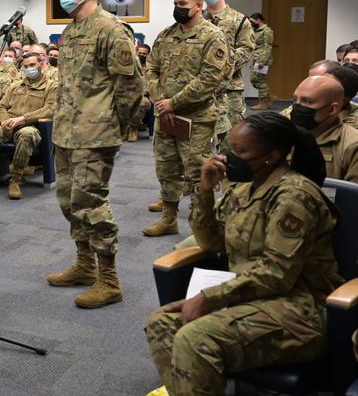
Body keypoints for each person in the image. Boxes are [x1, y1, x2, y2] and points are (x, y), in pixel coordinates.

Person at [145, 112, 342, 396]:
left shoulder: (294, 196)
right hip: (250, 297)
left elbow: (277, 275)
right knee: (162, 323)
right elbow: (211, 242)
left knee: (195, 337)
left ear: (270, 157)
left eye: (239, 152)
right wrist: (204, 190)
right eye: (228, 149)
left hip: (300, 310)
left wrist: (209, 298)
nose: (228, 158)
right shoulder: (243, 188)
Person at [47, 0, 143, 309]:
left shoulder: (110, 30)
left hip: (95, 134)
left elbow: (131, 86)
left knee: (92, 205)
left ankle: (109, 279)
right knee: (69, 203)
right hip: (66, 132)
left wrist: (116, 124)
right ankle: (85, 265)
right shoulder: (71, 31)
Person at [142, 0, 229, 237]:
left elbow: (209, 78)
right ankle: (169, 218)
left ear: (199, 6)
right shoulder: (166, 34)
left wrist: (174, 102)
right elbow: (152, 69)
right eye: (176, 3)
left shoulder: (213, 36)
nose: (177, 8)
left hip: (196, 117)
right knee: (166, 167)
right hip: (165, 114)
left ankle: (200, 221)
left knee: (196, 170)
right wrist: (161, 102)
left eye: (183, 4)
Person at [0, 52, 58, 199]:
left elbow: (50, 109)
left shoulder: (51, 86)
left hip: (31, 127)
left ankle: (15, 179)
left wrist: (22, 119)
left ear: (41, 64)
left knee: (26, 134)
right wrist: (4, 121)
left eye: (32, 65)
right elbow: (1, 107)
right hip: (8, 125)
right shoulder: (15, 86)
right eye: (26, 66)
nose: (29, 69)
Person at [201, 0, 255, 145]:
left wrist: (219, 65)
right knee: (198, 139)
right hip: (199, 87)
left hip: (229, 89)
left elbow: (246, 51)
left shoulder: (239, 20)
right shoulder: (196, 19)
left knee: (230, 141)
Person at [290, 75, 358, 181]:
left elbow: (351, 194)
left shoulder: (352, 144)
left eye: (307, 101)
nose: (297, 106)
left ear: (332, 109)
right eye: (295, 100)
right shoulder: (280, 136)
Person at [248, 12, 275, 110]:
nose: (251, 23)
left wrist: (262, 61)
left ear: (258, 19)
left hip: (263, 59)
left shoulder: (267, 31)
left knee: (260, 80)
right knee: (253, 80)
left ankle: (263, 102)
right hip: (256, 58)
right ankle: (269, 97)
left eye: (252, 21)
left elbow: (268, 47)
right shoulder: (256, 30)